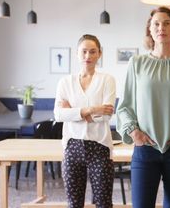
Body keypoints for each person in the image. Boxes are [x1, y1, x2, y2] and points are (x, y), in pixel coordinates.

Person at [116, 6, 170, 208]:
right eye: (156, 23)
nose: (161, 27)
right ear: (150, 29)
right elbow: (125, 105)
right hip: (145, 148)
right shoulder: (136, 63)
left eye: (166, 23)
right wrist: (134, 132)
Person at [54, 34, 116, 208]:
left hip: (100, 147)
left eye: (92, 52)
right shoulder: (65, 82)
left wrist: (73, 112)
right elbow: (59, 115)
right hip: (72, 147)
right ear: (77, 54)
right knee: (74, 204)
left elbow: (106, 115)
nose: (88, 56)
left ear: (99, 54)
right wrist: (90, 110)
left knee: (104, 203)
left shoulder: (107, 80)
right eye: (84, 51)